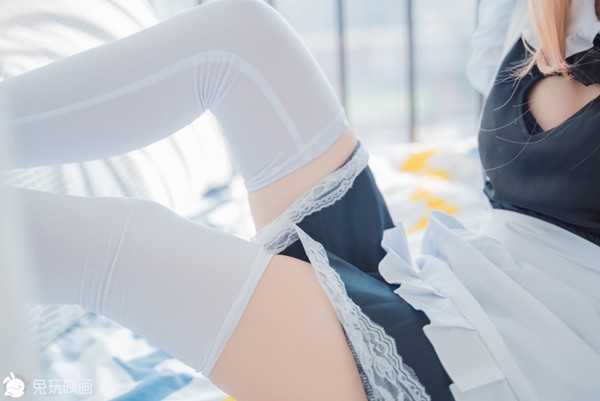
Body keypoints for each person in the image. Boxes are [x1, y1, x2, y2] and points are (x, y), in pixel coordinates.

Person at [0, 0, 599, 400]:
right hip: (437, 291)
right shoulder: (555, 14)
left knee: (105, 245)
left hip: (492, 373)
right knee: (238, 38)